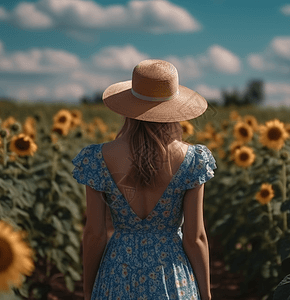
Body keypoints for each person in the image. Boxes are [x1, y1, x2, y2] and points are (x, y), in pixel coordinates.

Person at [72, 59, 217, 300]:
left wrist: (88, 290)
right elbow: (195, 237)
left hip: (118, 275)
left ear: (129, 106)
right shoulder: (193, 159)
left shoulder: (97, 158)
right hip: (172, 277)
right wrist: (207, 295)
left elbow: (94, 234)